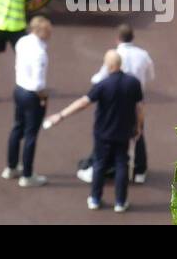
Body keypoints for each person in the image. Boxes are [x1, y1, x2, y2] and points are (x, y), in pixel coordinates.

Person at [45, 49, 144, 212]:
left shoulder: (103, 85)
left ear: (109, 65)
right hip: (123, 132)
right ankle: (120, 202)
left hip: (103, 133)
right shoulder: (133, 83)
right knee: (121, 164)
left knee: (99, 164)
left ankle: (95, 199)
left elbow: (83, 103)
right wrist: (139, 126)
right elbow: (139, 107)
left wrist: (61, 115)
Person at [87, 24, 156, 184]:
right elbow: (150, 75)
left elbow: (99, 78)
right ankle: (140, 171)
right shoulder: (143, 55)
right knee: (138, 134)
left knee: (110, 135)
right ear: (133, 37)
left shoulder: (115, 56)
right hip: (136, 100)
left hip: (116, 101)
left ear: (117, 38)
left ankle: (106, 166)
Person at [3, 15, 51, 188]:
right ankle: (27, 175)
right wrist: (43, 97)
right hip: (32, 96)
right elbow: (38, 84)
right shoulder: (40, 54)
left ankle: (11, 167)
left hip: (19, 90)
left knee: (17, 128)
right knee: (31, 135)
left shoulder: (22, 42)